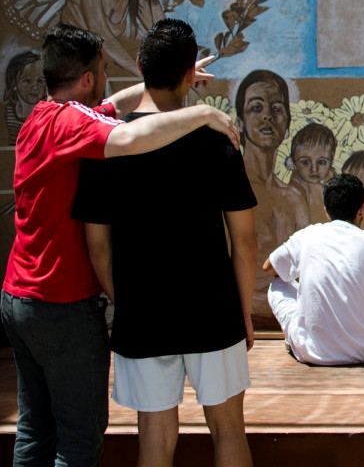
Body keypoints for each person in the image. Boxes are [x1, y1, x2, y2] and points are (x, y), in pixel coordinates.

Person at [0, 23, 238, 466]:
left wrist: (177, 77)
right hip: (63, 303)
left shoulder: (42, 117)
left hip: (19, 297)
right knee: (78, 438)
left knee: (34, 428)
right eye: (105, 69)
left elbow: (119, 105)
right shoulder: (77, 123)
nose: (109, 80)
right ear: (88, 78)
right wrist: (203, 112)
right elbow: (129, 136)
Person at [71, 19, 256, 466]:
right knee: (229, 430)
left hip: (143, 313)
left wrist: (126, 299)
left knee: (154, 438)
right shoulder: (218, 140)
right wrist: (242, 309)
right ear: (192, 73)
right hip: (212, 307)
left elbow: (98, 247)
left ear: (137, 66)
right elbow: (245, 240)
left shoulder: (106, 145)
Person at [264, 173, 364, 366]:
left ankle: (297, 336)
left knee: (278, 284)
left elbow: (269, 267)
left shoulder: (307, 236)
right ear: (362, 210)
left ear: (326, 211)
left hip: (311, 351)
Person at [234, 69, 308, 321]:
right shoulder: (230, 189)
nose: (267, 116)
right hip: (242, 317)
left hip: (290, 317)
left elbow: (306, 268)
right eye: (256, 107)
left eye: (277, 109)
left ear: (287, 125)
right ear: (240, 123)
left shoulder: (294, 197)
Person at [288, 123, 338, 225]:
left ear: (331, 160)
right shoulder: (296, 189)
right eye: (305, 162)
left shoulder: (333, 178)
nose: (314, 169)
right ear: (293, 162)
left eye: (322, 162)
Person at [3, 51, 45, 144]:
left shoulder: (47, 114)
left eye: (40, 81)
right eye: (27, 81)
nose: (35, 87)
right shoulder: (6, 114)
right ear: (14, 83)